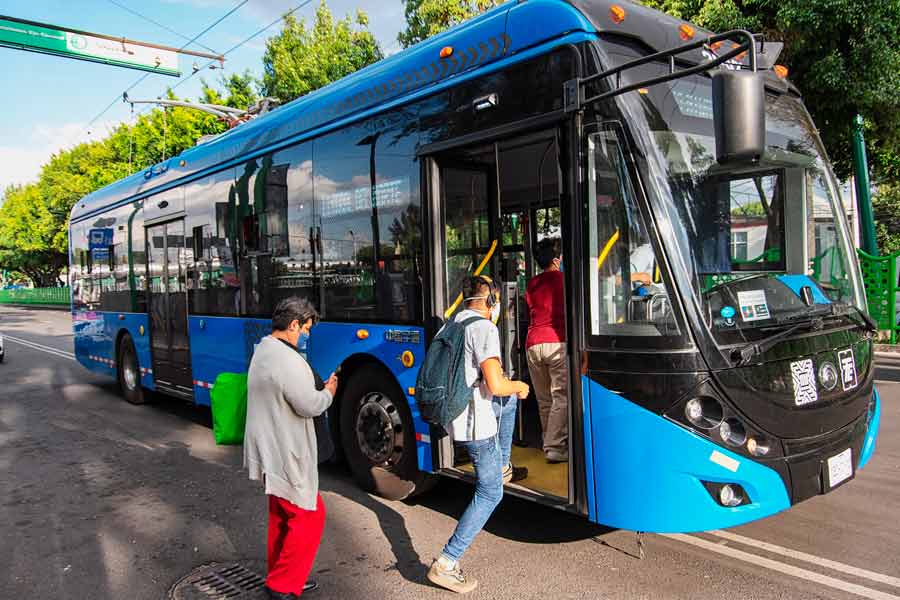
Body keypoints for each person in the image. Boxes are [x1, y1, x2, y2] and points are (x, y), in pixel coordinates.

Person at [427, 276, 530, 594]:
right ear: (492, 302)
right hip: (475, 423)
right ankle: (447, 562)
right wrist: (519, 386)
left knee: (507, 404)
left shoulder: (452, 323)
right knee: (490, 493)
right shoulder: (484, 328)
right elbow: (496, 385)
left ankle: (502, 464)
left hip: (456, 414)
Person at [244, 297, 338, 599]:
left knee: (281, 515)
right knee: (310, 515)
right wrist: (329, 392)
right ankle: (283, 585)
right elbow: (309, 405)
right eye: (305, 329)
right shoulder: (287, 359)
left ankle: (285, 575)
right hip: (286, 451)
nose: (306, 336)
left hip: (269, 451)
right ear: (293, 324)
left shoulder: (264, 350)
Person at [525, 238, 569, 463]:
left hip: (533, 344)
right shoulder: (564, 280)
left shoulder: (532, 284)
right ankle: (555, 447)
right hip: (556, 342)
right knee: (561, 396)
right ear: (556, 259)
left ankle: (548, 440)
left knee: (545, 400)